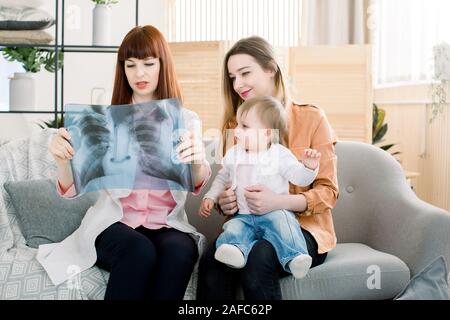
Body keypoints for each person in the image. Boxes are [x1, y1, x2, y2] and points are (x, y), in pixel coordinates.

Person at [41, 25, 210, 300]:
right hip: (115, 222)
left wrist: (197, 159)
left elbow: (195, 183)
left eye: (148, 63)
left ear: (162, 65)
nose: (139, 73)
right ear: (123, 70)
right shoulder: (104, 120)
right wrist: (62, 160)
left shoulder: (186, 120)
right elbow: (72, 189)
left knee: (181, 251)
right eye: (130, 65)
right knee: (138, 250)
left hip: (166, 224)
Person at [197, 36, 339, 300]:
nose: (237, 84)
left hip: (304, 231)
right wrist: (224, 202)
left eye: (245, 73)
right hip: (249, 225)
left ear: (271, 69)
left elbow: (328, 192)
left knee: (259, 257)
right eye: (232, 77)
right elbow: (229, 183)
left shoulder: (312, 118)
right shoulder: (234, 126)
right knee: (212, 262)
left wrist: (279, 201)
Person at [199, 96, 322, 279]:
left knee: (286, 225)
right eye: (238, 124)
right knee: (233, 228)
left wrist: (310, 167)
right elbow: (222, 177)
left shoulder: (280, 154)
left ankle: (295, 257)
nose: (237, 130)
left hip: (274, 212)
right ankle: (235, 251)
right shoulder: (234, 153)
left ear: (266, 133)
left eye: (245, 126)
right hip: (243, 215)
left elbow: (299, 178)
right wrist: (211, 196)